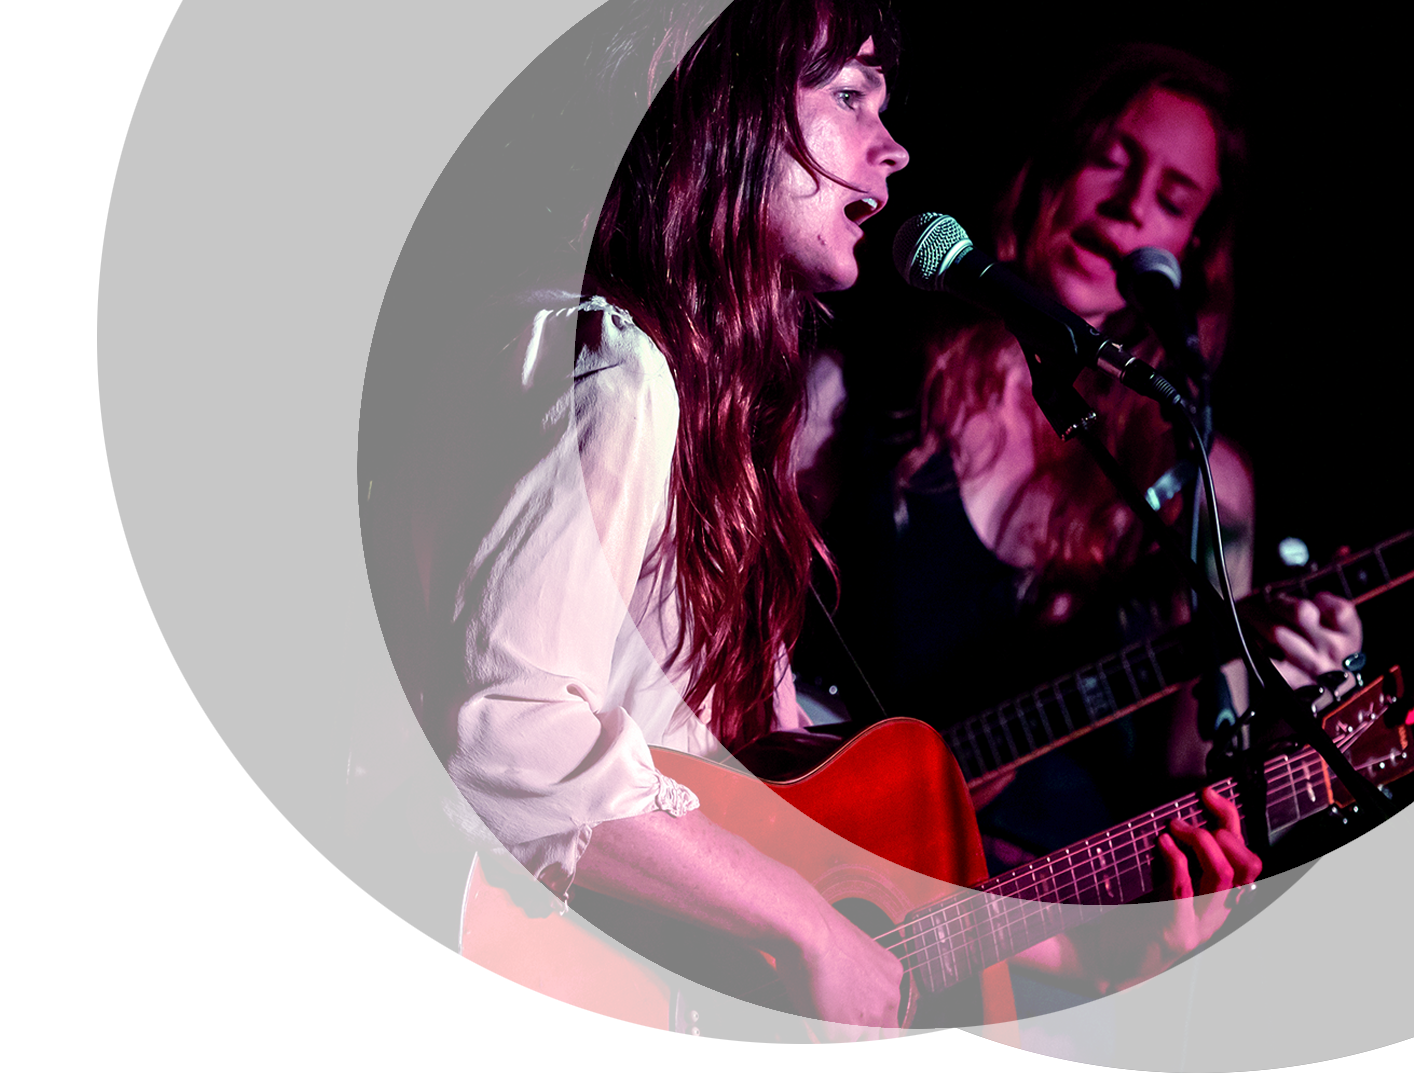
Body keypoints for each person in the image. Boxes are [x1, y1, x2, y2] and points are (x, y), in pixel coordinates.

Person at [335, 5, 1262, 1070]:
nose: (896, 146)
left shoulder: (701, 395)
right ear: (728, 105)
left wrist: (1086, 948)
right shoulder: (613, 369)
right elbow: (508, 745)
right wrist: (808, 927)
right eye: (850, 95)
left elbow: (803, 842)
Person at [796, 43, 1364, 1069]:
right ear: (1053, 163)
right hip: (833, 904)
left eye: (1176, 192)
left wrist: (1294, 691)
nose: (1132, 204)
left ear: (1196, 243)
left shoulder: (1202, 478)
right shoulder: (865, 378)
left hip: (1035, 948)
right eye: (1114, 157)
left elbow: (1201, 767)